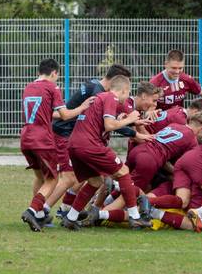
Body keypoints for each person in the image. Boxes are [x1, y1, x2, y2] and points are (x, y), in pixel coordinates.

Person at [64, 77, 155, 230]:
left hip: (74, 145)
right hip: (90, 145)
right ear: (124, 91)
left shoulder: (101, 98)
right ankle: (135, 217)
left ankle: (70, 218)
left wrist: (130, 122)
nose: (127, 98)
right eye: (128, 94)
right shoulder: (111, 97)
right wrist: (130, 119)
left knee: (95, 182)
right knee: (123, 171)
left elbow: (106, 122)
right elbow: (110, 125)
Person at [49, 64, 134, 223]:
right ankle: (42, 210)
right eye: (124, 87)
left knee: (88, 178)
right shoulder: (101, 94)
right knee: (70, 177)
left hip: (73, 135)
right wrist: (133, 131)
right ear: (113, 81)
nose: (125, 92)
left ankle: (66, 210)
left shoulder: (95, 86)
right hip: (66, 133)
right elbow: (107, 123)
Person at [19, 58, 93, 232]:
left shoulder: (29, 87)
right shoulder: (52, 87)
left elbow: (47, 113)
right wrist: (82, 107)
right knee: (52, 179)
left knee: (40, 178)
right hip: (42, 140)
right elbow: (66, 115)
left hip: (26, 138)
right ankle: (32, 210)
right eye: (56, 76)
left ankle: (38, 216)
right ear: (54, 73)